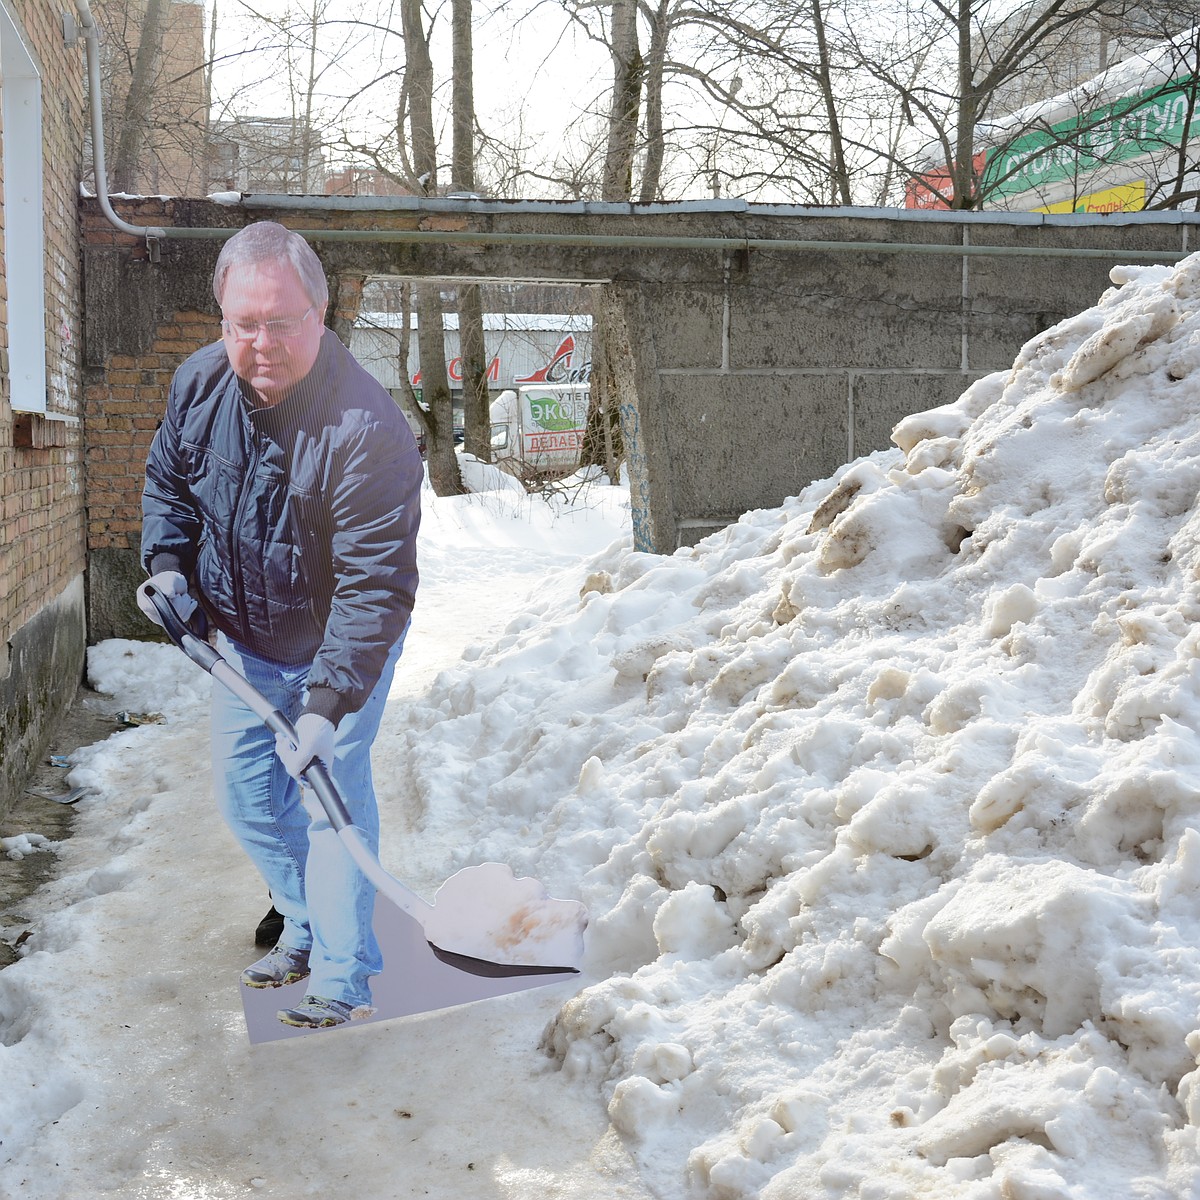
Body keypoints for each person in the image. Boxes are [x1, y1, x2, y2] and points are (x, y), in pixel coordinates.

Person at [137, 221, 422, 1031]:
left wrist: (328, 705)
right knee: (250, 801)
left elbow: (375, 585)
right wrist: (167, 565)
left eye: (282, 322)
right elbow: (168, 481)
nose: (261, 343)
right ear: (222, 318)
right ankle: (301, 924)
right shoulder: (198, 386)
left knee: (330, 803)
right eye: (243, 324)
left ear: (321, 313)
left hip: (342, 645)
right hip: (250, 643)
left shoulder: (367, 430)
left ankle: (343, 974)